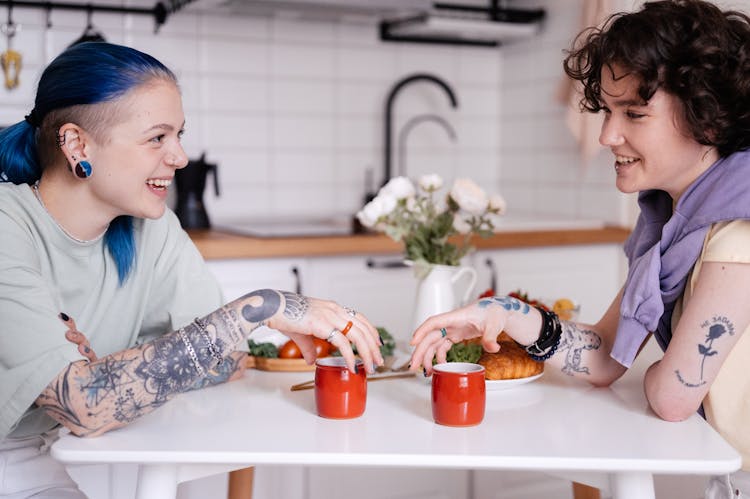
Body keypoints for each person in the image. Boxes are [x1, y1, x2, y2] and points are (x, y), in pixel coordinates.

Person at [0, 41, 384, 498]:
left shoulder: (151, 229)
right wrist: (258, 309)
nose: (179, 157)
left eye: (179, 135)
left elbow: (224, 359)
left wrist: (103, 368)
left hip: (44, 455)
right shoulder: (8, 227)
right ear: (76, 143)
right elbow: (87, 405)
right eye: (157, 138)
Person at [408, 1, 750, 497]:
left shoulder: (736, 232)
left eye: (634, 113)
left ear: (709, 120)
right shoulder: (668, 223)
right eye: (608, 111)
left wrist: (659, 371)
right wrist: (501, 312)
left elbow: (674, 397)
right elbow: (606, 358)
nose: (609, 135)